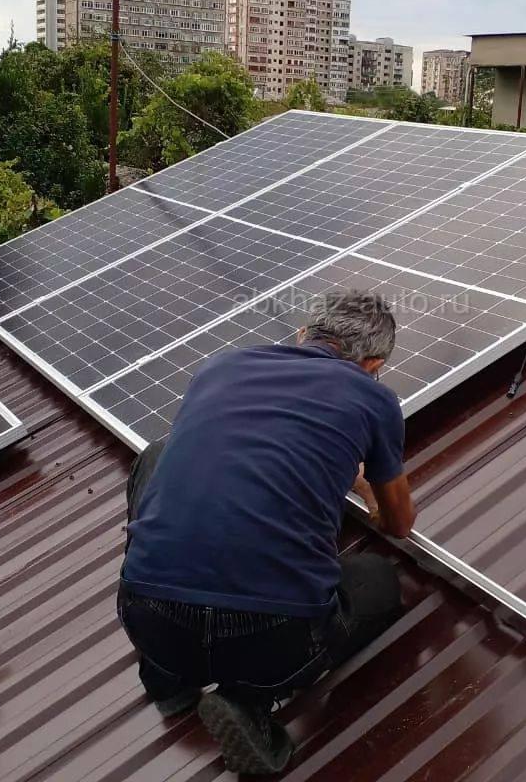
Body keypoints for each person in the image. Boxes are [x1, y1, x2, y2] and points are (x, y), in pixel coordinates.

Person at [117, 288, 416, 775]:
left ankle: (167, 680)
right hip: (272, 644)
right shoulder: (374, 398)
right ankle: (248, 701)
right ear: (374, 364)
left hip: (151, 622)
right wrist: (364, 489)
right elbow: (400, 524)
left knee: (156, 454)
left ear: (302, 335)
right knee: (379, 582)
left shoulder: (221, 366)